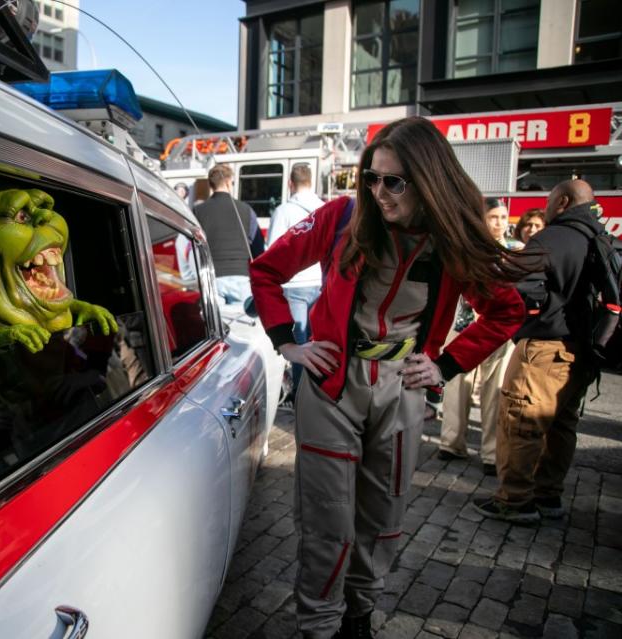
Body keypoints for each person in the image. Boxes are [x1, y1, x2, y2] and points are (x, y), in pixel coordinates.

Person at [249, 116, 528, 638]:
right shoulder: (341, 217)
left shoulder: (451, 241)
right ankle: (320, 628)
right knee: (328, 522)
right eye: (371, 178)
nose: (378, 191)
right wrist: (288, 342)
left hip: (402, 390)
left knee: (381, 521)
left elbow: (506, 311)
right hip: (332, 386)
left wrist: (445, 364)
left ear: (427, 180)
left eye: (393, 181)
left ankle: (359, 617)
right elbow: (266, 270)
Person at [475, 180, 602, 523]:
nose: (544, 210)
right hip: (585, 350)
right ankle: (549, 494)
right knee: (562, 425)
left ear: (561, 202)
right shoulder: (600, 237)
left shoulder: (552, 239)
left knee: (522, 421)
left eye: (547, 202)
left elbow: (516, 288)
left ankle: (514, 500)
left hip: (545, 348)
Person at [438, 198, 522, 476]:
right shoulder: (465, 249)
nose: (500, 223)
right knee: (454, 386)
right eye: (494, 217)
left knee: (495, 390)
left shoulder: (516, 251)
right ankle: (451, 442)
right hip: (461, 325)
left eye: (503, 217)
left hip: (497, 329)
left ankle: (490, 452)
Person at [267, 163, 325, 399]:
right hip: (320, 283)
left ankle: (301, 396)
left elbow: (273, 249)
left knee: (299, 346)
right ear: (311, 183)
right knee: (319, 340)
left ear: (290, 183)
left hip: (294, 285)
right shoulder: (325, 208)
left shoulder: (283, 211)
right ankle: (321, 391)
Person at [194, 163, 264, 305]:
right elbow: (258, 247)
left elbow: (191, 246)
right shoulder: (245, 210)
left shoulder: (197, 211)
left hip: (211, 276)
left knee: (216, 325)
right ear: (227, 182)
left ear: (211, 185)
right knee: (243, 325)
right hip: (241, 277)